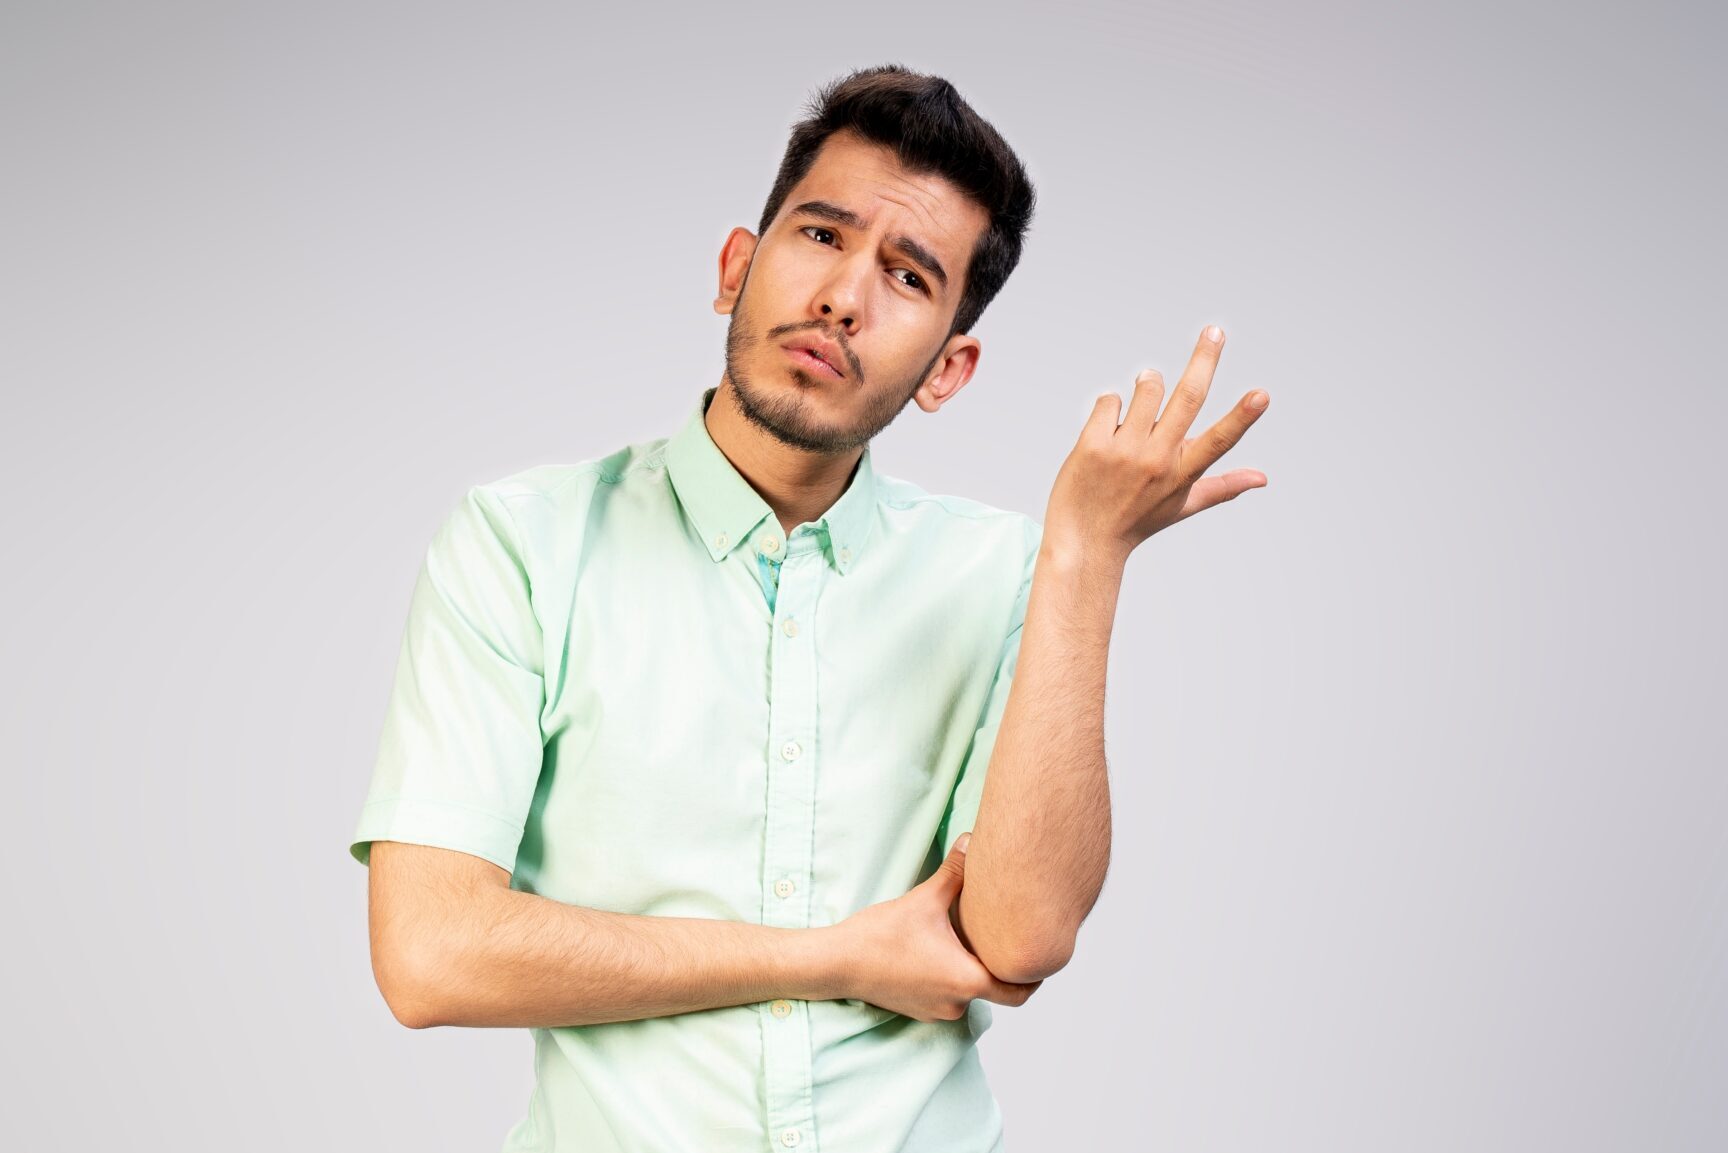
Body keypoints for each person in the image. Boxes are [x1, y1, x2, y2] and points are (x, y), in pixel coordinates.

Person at [348, 62, 1269, 1153]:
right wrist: (832, 956)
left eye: (908, 276)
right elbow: (429, 954)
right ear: (737, 267)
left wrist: (1088, 556)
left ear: (949, 370)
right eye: (822, 235)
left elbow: (1023, 935)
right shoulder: (524, 543)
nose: (843, 297)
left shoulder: (1008, 573)